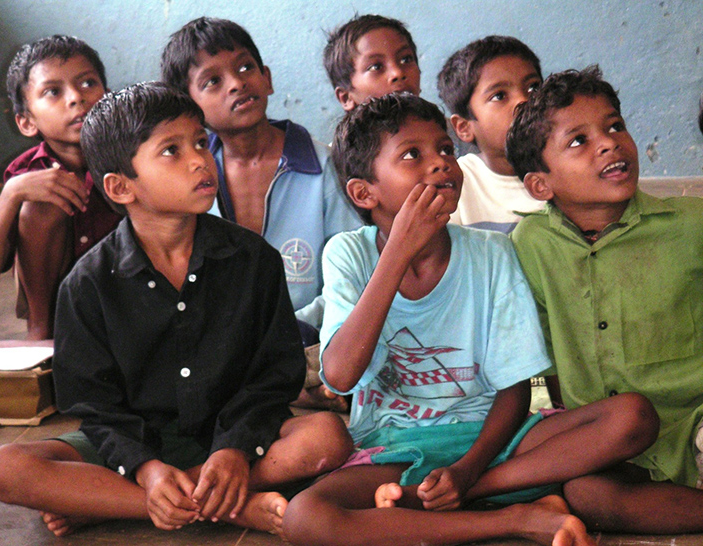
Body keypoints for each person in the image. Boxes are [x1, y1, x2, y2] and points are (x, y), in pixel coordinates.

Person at [281, 92, 658, 546]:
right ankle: (516, 518)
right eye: (411, 155)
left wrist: (469, 469)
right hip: (399, 444)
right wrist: (397, 252)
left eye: (445, 150)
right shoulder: (349, 254)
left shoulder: (492, 253)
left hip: (501, 442)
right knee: (305, 517)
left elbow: (516, 389)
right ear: (364, 192)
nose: (440, 163)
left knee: (632, 416)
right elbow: (340, 375)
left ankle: (466, 496)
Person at [0, 82, 353, 538]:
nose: (199, 159)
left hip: (234, 435)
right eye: (171, 151)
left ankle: (119, 502)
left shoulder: (254, 260)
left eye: (200, 142)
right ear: (121, 187)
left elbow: (273, 376)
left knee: (327, 438)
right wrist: (143, 467)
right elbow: (94, 406)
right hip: (135, 445)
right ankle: (229, 505)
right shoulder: (88, 284)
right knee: (7, 468)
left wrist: (233, 449)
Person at [508, 65, 703, 534]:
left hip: (694, 418)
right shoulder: (529, 244)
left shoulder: (691, 224)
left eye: (615, 126)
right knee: (583, 493)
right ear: (541, 185)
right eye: (579, 140)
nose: (609, 142)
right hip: (607, 436)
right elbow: (539, 357)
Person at [161, 17, 362, 409]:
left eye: (244, 68)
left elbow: (352, 277)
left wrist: (295, 327)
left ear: (266, 78)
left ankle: (288, 389)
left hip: (314, 336)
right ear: (188, 106)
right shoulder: (189, 182)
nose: (237, 83)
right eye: (212, 81)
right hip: (225, 341)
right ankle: (290, 393)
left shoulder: (325, 168)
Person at [0, 35, 121, 343]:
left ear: (108, 96)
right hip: (59, 308)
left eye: (87, 84)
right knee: (42, 201)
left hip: (124, 301)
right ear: (27, 122)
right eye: (53, 91)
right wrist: (12, 193)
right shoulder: (28, 172)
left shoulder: (130, 156)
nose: (76, 98)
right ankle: (42, 331)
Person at [437, 36, 544, 234]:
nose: (524, 101)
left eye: (533, 88)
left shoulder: (571, 168)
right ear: (463, 127)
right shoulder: (455, 184)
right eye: (499, 96)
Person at [323, 14, 421, 112]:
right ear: (346, 98)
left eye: (406, 60)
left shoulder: (434, 123)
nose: (397, 73)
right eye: (376, 67)